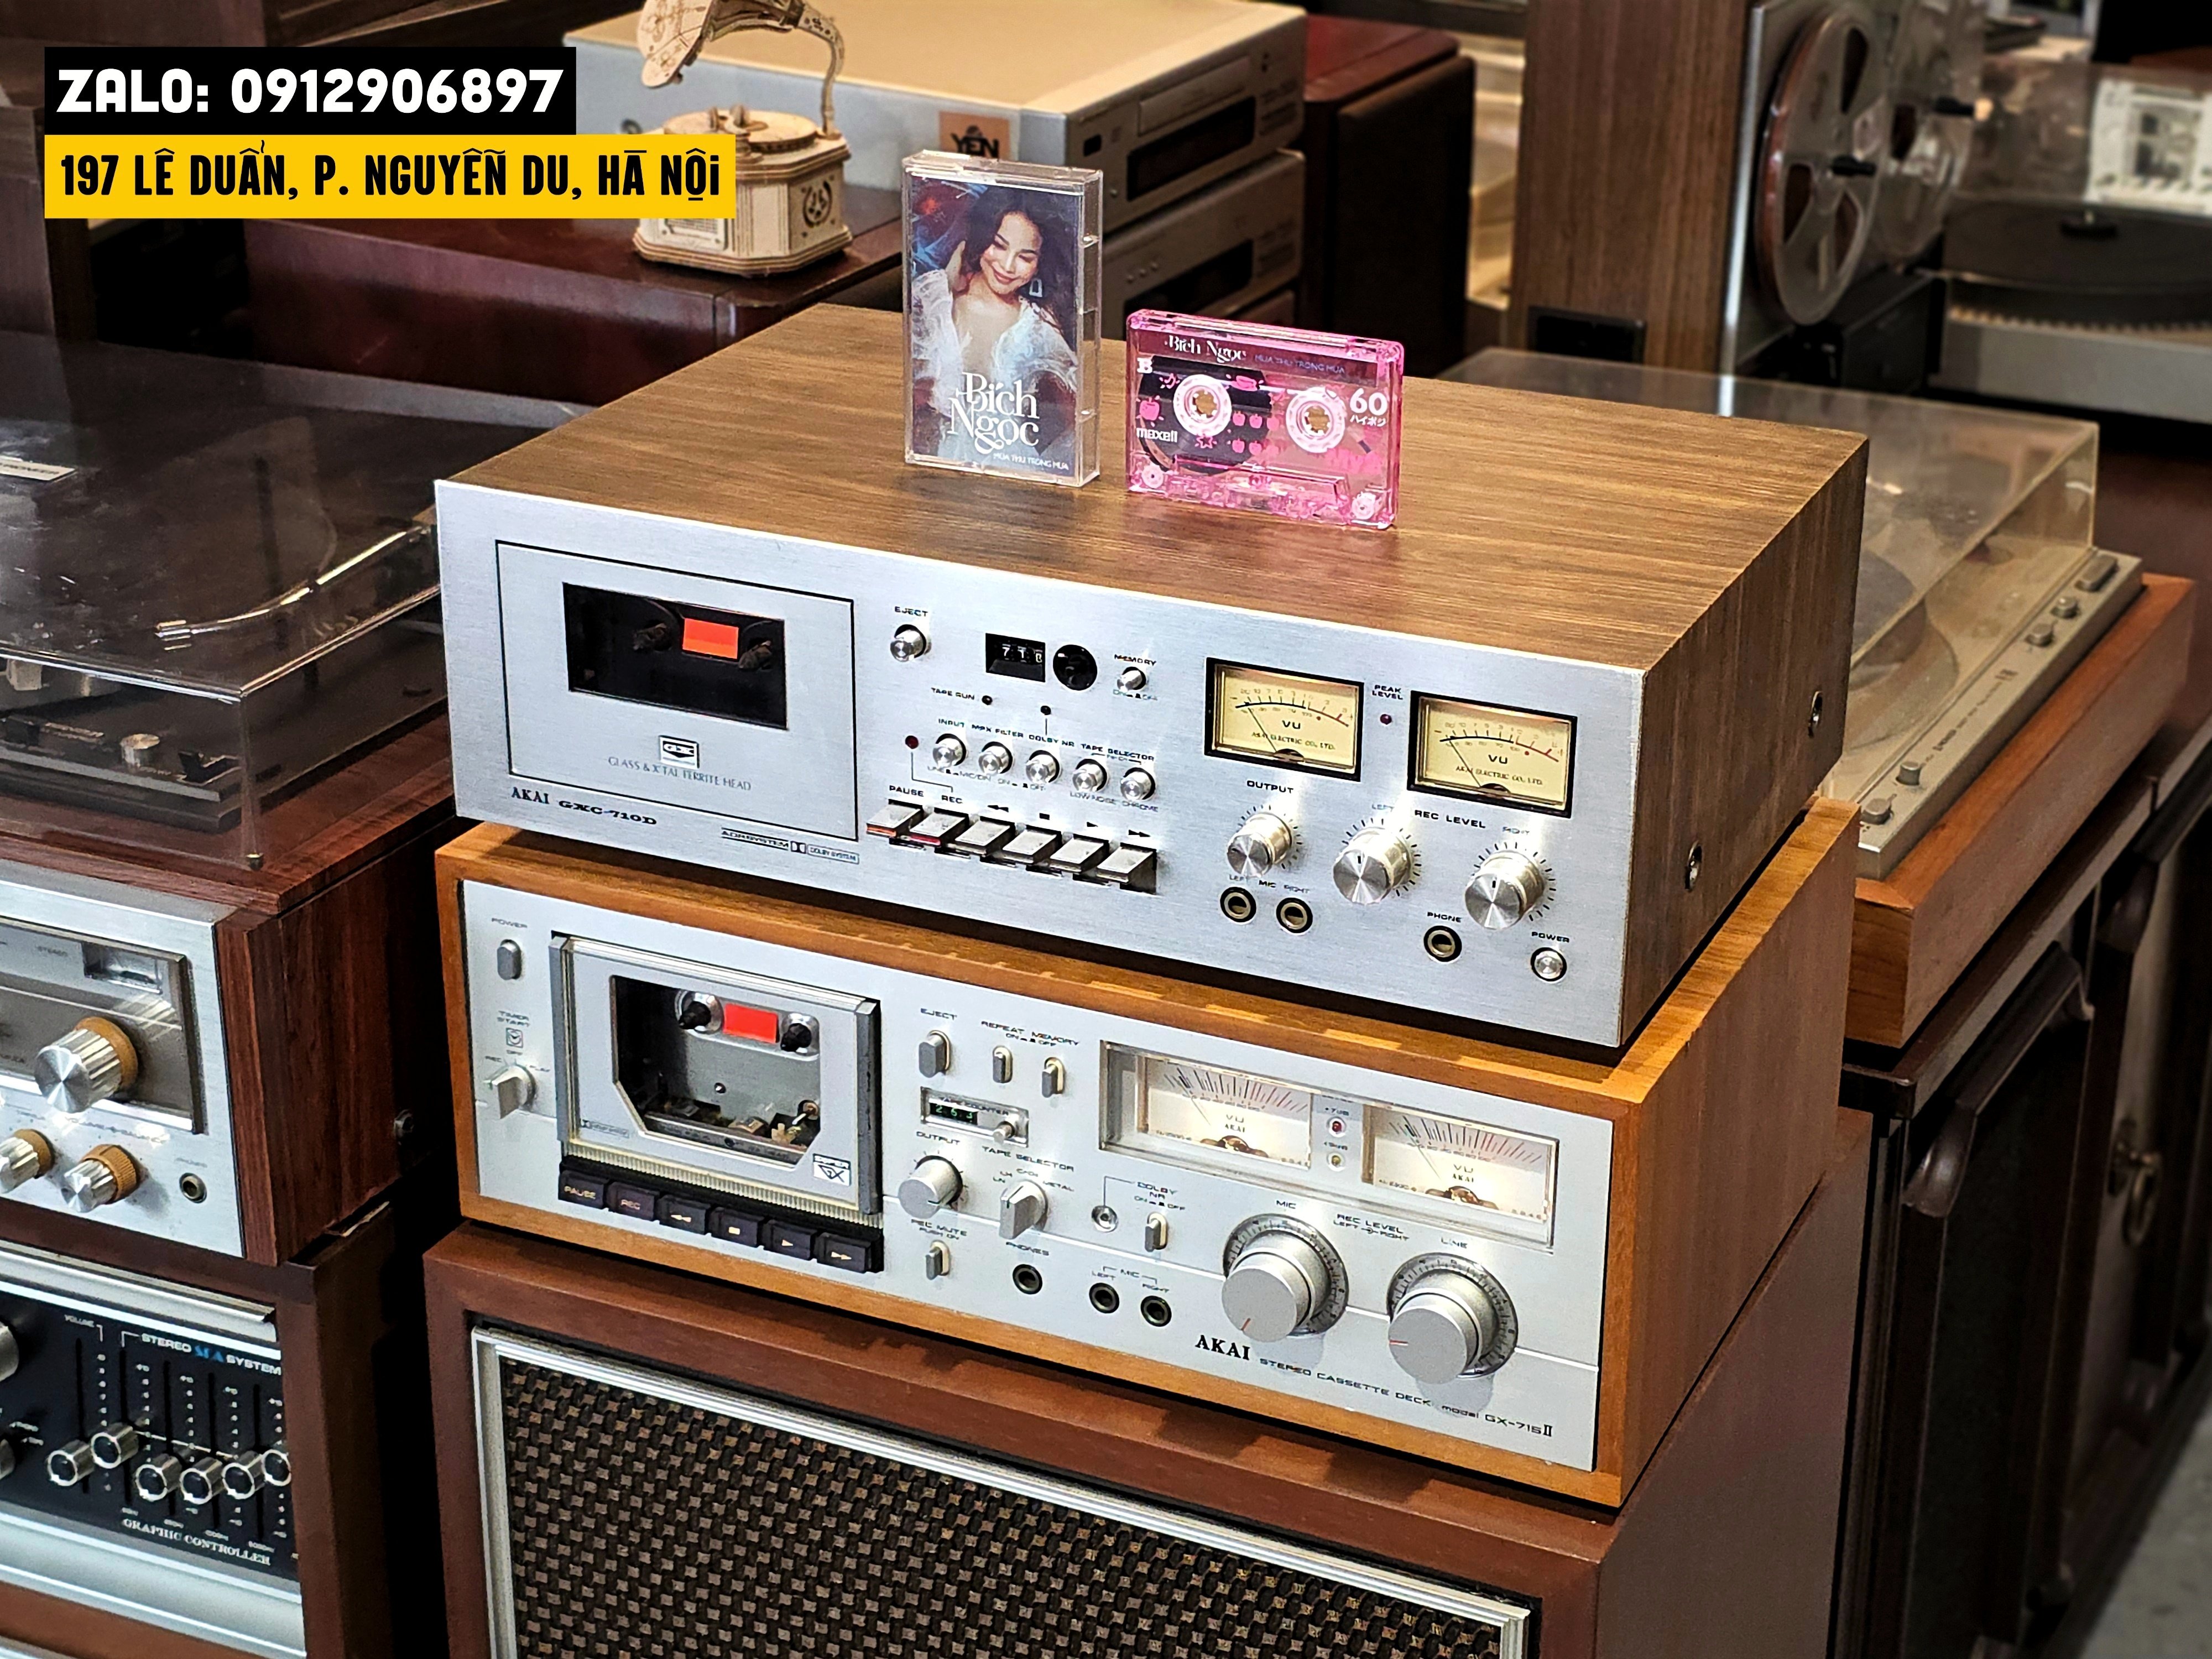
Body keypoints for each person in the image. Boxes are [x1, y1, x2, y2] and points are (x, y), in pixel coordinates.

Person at [909, 187, 1081, 473]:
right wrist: (949, 280)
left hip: (1009, 468)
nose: (1007, 266)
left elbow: (1072, 423)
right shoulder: (935, 297)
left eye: (1026, 257)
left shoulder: (1037, 327)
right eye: (999, 245)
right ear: (982, 237)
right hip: (934, 466)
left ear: (1039, 264)